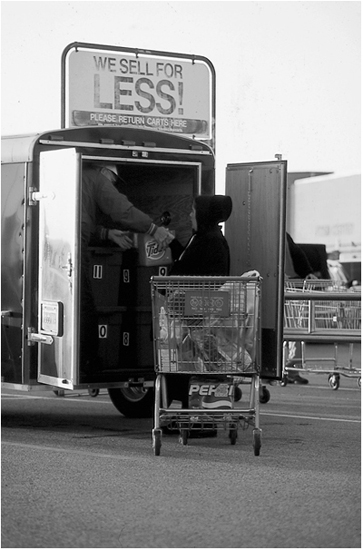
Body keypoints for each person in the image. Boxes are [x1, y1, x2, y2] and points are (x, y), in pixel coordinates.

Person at [80, 163, 172, 378]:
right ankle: (89, 362)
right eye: (112, 179)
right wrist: (152, 229)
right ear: (105, 171)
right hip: (73, 251)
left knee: (81, 303)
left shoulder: (76, 179)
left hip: (61, 247)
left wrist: (106, 234)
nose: (112, 184)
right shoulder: (95, 178)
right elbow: (121, 209)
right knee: (84, 305)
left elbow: (75, 221)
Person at [164, 194, 233, 412]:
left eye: (193, 210)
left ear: (203, 214)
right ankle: (191, 411)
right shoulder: (205, 237)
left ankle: (190, 412)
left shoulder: (210, 241)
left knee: (187, 362)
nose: (190, 215)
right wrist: (172, 243)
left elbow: (188, 271)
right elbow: (187, 262)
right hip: (197, 312)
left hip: (197, 313)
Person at [285, 233, 319, 384]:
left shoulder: (283, 235)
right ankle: (285, 368)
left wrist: (307, 272)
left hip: (292, 284)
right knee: (291, 328)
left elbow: (297, 254)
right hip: (280, 283)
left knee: (296, 327)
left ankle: (291, 368)